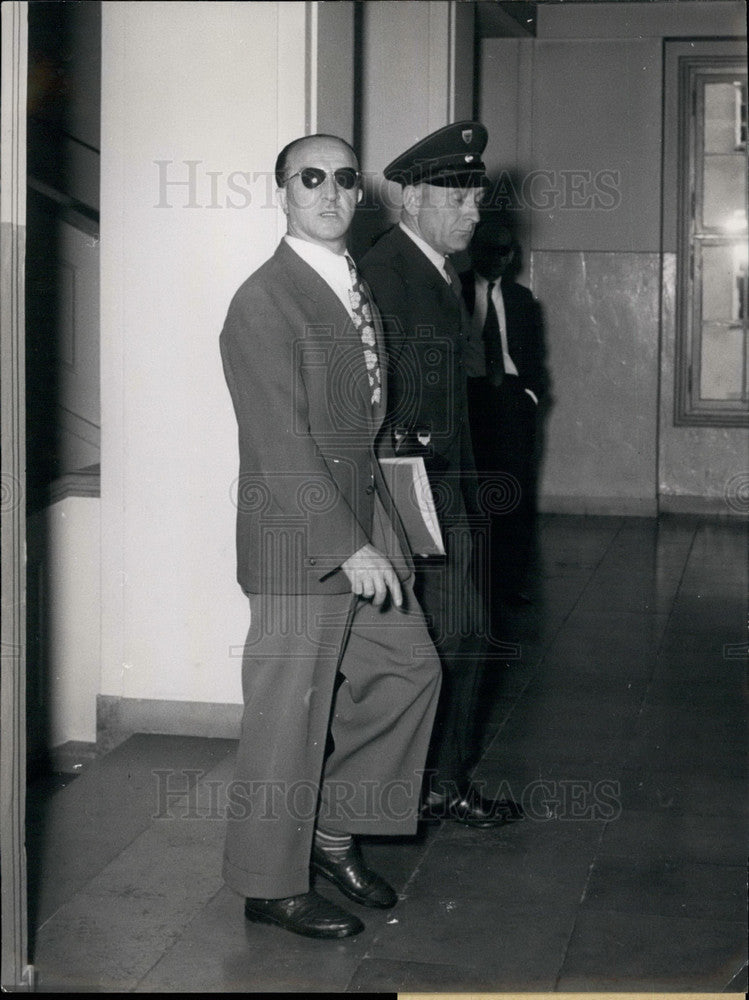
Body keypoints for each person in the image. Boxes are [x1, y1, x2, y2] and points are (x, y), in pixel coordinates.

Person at [219, 133, 442, 940]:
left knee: (408, 669)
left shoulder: (349, 283)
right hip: (299, 538)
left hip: (365, 518)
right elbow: (278, 439)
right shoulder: (264, 299)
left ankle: (332, 832)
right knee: (289, 716)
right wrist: (347, 545)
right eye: (309, 178)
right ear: (281, 192)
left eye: (345, 179)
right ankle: (266, 884)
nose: (330, 192)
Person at [359, 122, 521, 828]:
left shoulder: (435, 272)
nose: (473, 213)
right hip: (412, 487)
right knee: (448, 636)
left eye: (477, 200)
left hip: (446, 484)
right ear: (413, 199)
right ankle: (421, 784)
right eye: (457, 200)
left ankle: (437, 781)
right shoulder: (387, 273)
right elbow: (380, 398)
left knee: (462, 635)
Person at [461, 218, 547, 607]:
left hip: (512, 401)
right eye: (490, 250)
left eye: (506, 251)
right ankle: (472, 583)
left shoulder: (522, 298)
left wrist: (529, 395)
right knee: (471, 492)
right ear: (473, 251)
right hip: (470, 398)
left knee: (513, 494)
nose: (498, 259)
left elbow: (534, 358)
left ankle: (509, 583)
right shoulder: (454, 289)